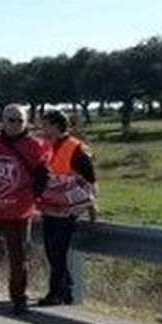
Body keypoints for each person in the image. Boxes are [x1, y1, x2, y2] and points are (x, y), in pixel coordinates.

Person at [0, 104, 50, 315]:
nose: (15, 124)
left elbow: (44, 177)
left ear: (26, 123)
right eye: (11, 120)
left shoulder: (35, 146)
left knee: (18, 258)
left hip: (18, 212)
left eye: (19, 120)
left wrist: (34, 199)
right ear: (2, 121)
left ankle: (19, 299)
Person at [36, 110, 98, 306]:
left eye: (44, 125)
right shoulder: (45, 146)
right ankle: (67, 290)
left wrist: (91, 209)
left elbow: (91, 181)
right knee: (51, 249)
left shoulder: (77, 148)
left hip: (68, 209)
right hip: (49, 206)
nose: (41, 129)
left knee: (57, 250)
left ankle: (55, 293)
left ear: (55, 126)